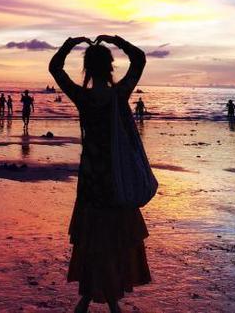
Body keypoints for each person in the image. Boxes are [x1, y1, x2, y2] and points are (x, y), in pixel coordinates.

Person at [49, 34, 151, 313]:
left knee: (94, 239)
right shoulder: (119, 96)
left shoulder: (83, 97)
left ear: (87, 70)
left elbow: (55, 69)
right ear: (109, 68)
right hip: (117, 178)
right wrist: (116, 40)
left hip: (92, 181)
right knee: (114, 239)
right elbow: (140, 59)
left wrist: (70, 43)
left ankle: (88, 298)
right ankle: (111, 302)